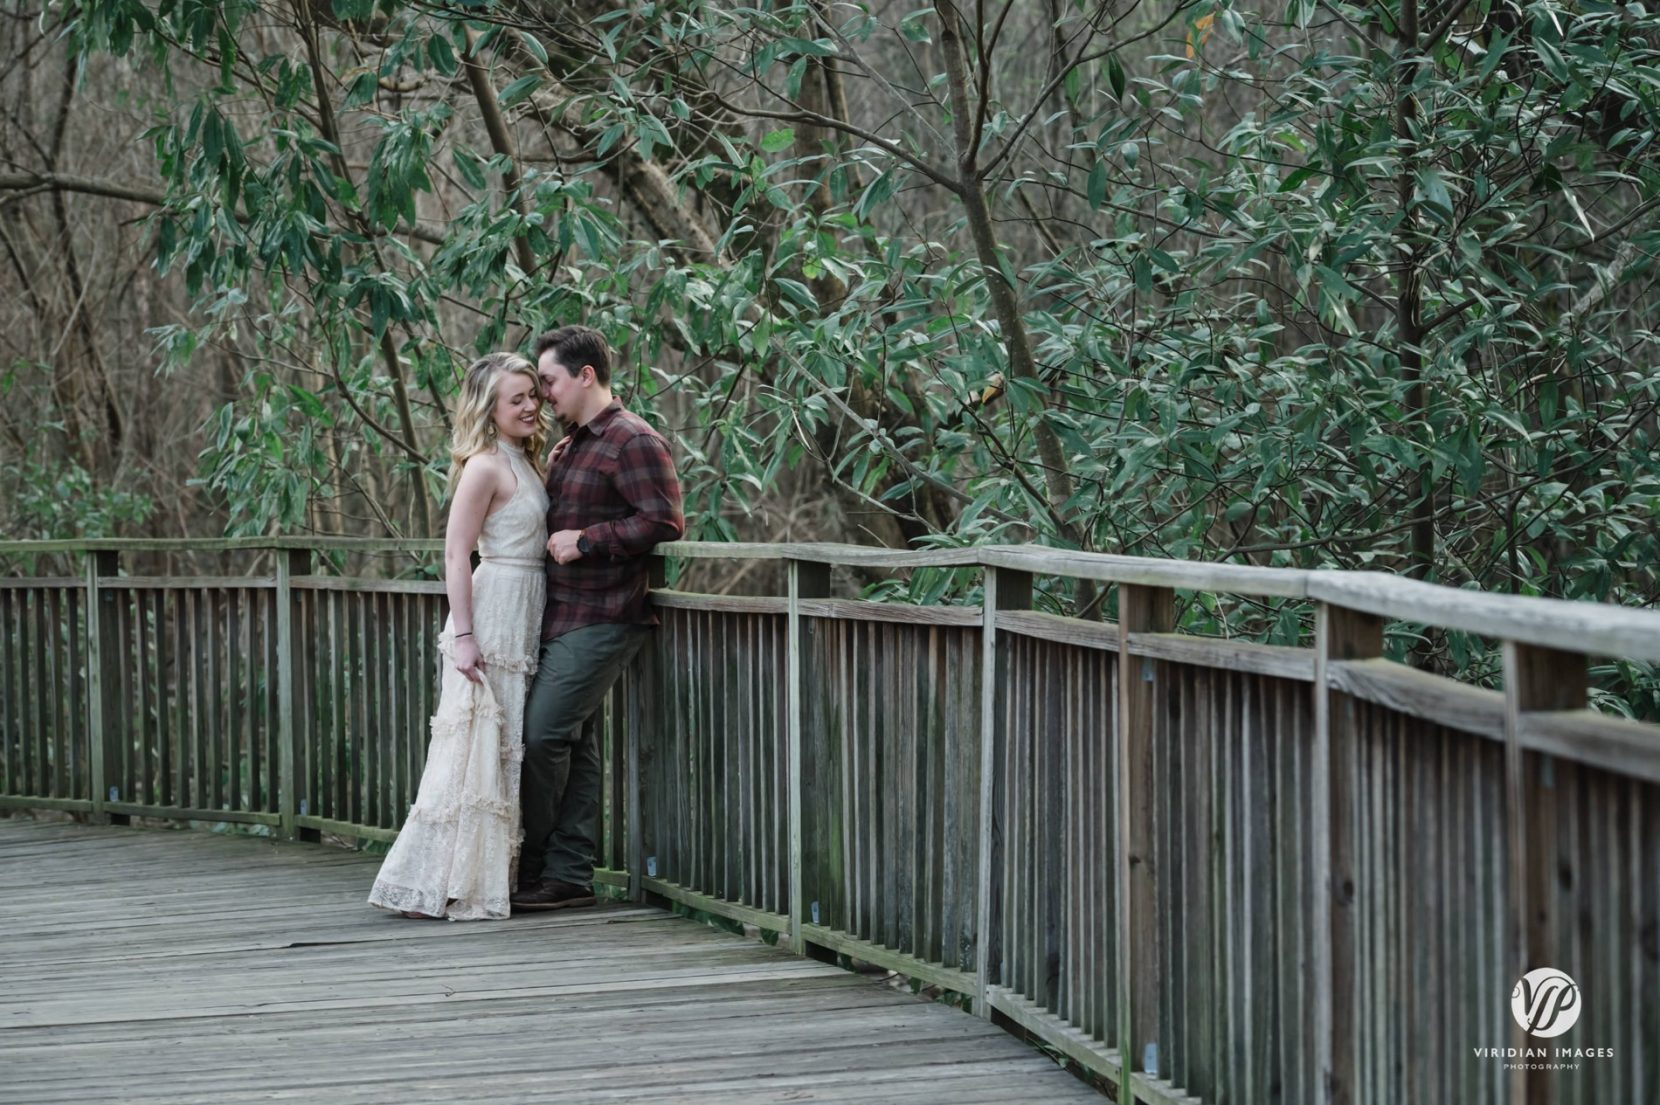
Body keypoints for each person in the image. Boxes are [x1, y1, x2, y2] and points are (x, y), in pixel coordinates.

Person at [368, 352, 550, 920]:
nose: (528, 405)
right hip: (491, 610)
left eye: (531, 394)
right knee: (474, 743)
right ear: (488, 409)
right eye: (514, 398)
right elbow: (455, 551)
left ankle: (485, 872)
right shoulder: (484, 466)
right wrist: (465, 634)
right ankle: (441, 877)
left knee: (504, 748)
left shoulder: (527, 458)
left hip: (527, 608)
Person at [512, 325, 684, 911]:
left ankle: (532, 861)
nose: (544, 395)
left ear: (586, 376)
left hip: (606, 615)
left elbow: (662, 522)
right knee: (573, 744)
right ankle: (568, 876)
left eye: (551, 381)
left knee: (541, 737)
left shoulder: (633, 441)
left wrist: (588, 541)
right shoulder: (569, 444)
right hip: (559, 615)